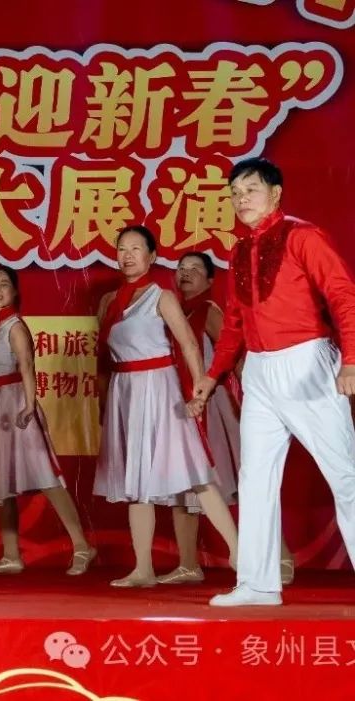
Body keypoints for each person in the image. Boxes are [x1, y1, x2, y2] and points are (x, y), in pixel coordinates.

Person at [195, 158, 355, 607]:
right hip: (260, 372)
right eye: (234, 193)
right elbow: (234, 321)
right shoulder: (239, 251)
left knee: (344, 473)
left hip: (307, 362)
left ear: (276, 193)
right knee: (256, 478)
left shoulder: (303, 236)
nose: (241, 199)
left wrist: (351, 360)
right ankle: (258, 584)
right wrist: (212, 375)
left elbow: (343, 295)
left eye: (251, 189)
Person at [93, 225, 238, 588]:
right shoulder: (109, 301)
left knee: (194, 473)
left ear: (152, 256)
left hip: (161, 390)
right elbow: (104, 359)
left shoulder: (162, 297)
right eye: (122, 249)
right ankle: (143, 569)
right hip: (125, 392)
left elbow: (189, 344)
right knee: (136, 481)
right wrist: (104, 401)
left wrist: (199, 391)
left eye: (136, 248)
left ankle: (241, 554)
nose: (128, 255)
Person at [163, 252, 295, 585]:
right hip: (182, 408)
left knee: (243, 485)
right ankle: (188, 563)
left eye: (195, 270)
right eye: (181, 269)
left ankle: (280, 555)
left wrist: (251, 401)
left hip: (214, 407)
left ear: (210, 280)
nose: (186, 274)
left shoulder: (209, 311)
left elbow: (236, 358)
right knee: (185, 485)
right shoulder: (171, 310)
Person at [0, 265, 95, 576]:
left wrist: (29, 404)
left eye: (4, 284)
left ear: (15, 292)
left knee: (48, 478)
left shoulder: (14, 326)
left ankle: (82, 546)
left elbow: (27, 364)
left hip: (16, 404)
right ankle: (11, 555)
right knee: (0, 482)